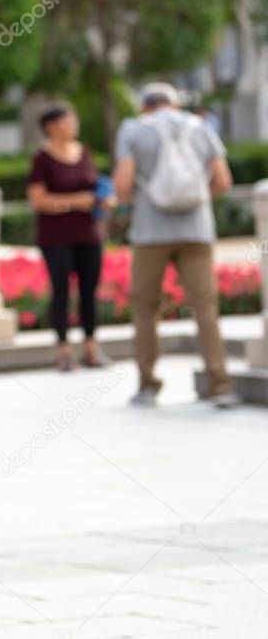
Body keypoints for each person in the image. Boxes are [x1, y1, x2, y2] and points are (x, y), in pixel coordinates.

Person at [112, 82, 237, 408]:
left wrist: (135, 207)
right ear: (173, 103)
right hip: (196, 230)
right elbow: (223, 180)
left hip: (150, 233)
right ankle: (220, 384)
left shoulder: (133, 129)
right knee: (205, 307)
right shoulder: (200, 125)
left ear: (144, 106)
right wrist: (195, 201)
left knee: (145, 308)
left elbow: (123, 183)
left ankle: (148, 385)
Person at [27, 105, 113, 371]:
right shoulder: (42, 159)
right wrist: (77, 202)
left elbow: (95, 186)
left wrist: (104, 199)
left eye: (74, 118)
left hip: (89, 234)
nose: (73, 123)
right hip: (56, 237)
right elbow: (38, 200)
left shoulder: (84, 152)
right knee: (61, 292)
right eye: (67, 120)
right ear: (51, 126)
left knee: (90, 291)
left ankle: (91, 346)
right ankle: (63, 349)